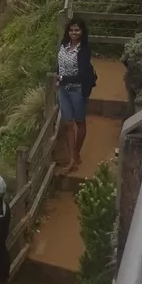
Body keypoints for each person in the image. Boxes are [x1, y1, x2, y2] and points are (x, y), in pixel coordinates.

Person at [57, 17, 96, 175]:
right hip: (63, 90)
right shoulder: (64, 45)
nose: (74, 32)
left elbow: (82, 75)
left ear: (82, 32)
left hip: (77, 90)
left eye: (77, 30)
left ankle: (75, 155)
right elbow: (59, 63)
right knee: (67, 124)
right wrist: (58, 75)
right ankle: (73, 158)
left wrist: (63, 78)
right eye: (71, 30)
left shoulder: (84, 50)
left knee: (79, 122)